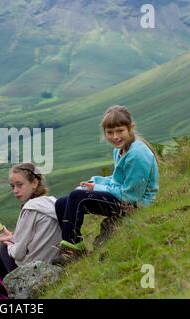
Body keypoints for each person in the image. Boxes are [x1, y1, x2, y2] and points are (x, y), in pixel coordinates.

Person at [55, 105, 159, 259]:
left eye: (120, 131)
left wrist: (97, 188)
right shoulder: (120, 149)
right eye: (110, 132)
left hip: (136, 204)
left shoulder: (137, 155)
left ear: (131, 128)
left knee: (78, 197)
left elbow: (131, 196)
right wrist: (94, 183)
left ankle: (71, 251)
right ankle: (76, 244)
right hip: (122, 197)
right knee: (62, 203)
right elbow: (117, 180)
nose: (115, 137)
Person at [0, 163, 62, 279]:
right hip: (53, 260)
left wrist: (8, 243)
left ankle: (9, 292)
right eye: (12, 186)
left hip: (34, 269)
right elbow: (36, 238)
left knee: (2, 247)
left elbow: (18, 254)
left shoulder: (30, 208)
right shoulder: (52, 201)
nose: (15, 190)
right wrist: (11, 237)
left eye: (19, 185)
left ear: (34, 183)